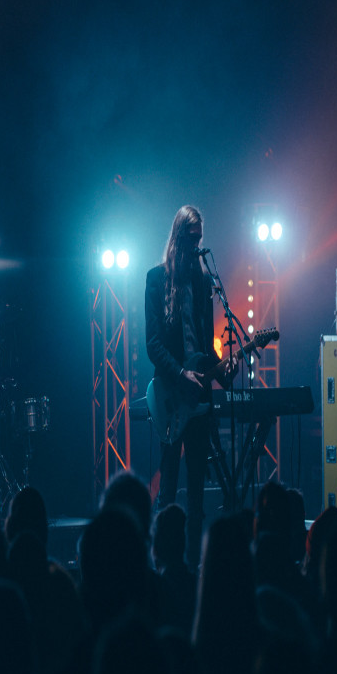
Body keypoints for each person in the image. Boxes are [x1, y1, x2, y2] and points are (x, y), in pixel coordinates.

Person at [145, 205, 236, 569]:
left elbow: (205, 343)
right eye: (190, 237)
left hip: (199, 396)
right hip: (171, 394)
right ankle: (164, 565)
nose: (196, 244)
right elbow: (152, 343)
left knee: (197, 487)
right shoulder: (156, 279)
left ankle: (196, 567)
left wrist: (223, 370)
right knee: (168, 484)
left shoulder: (202, 281)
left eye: (200, 238)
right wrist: (179, 373)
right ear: (178, 236)